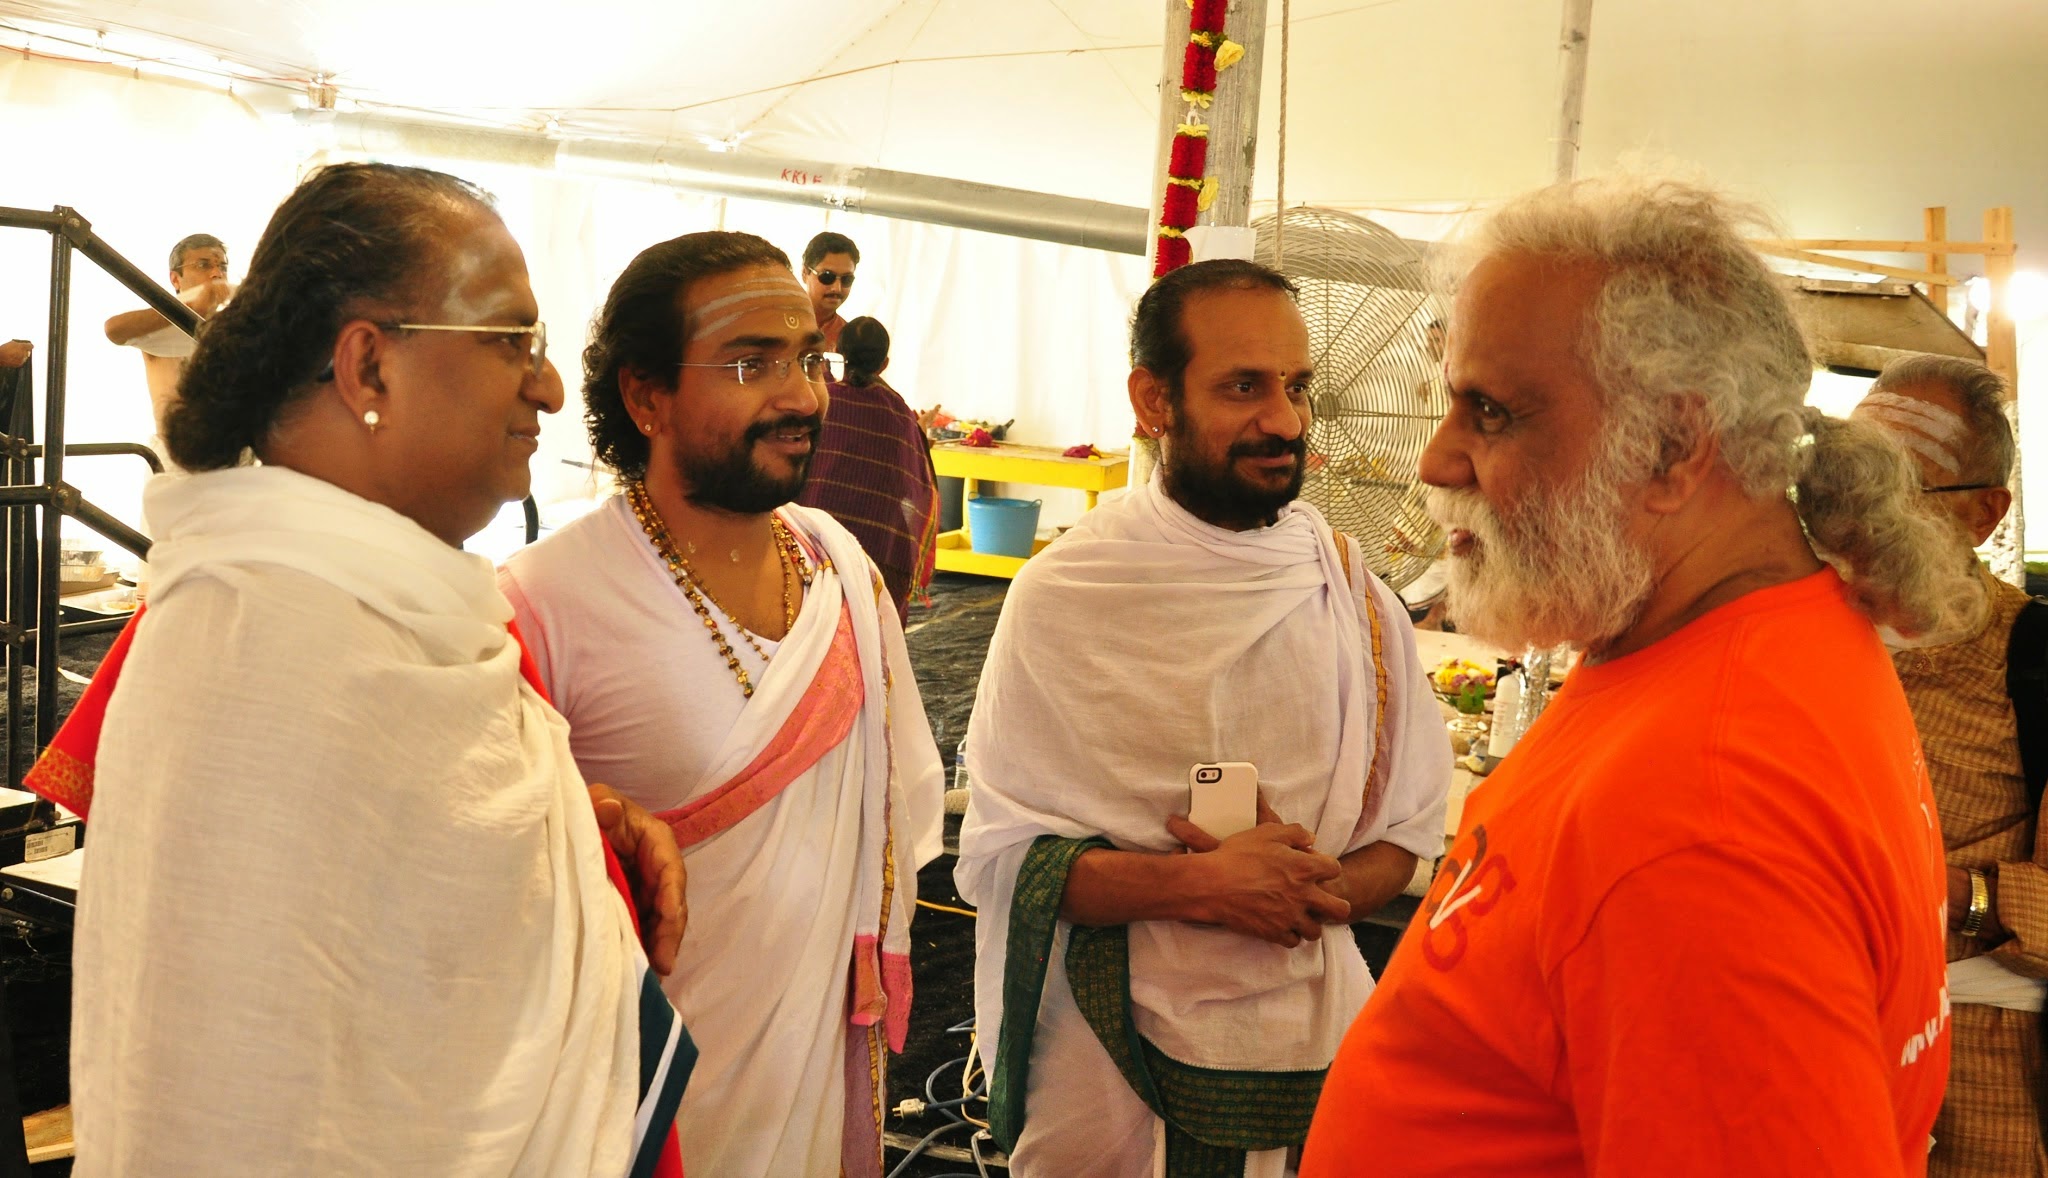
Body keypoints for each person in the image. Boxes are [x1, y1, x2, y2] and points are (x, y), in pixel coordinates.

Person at [1302, 175, 1972, 1176]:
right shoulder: (1749, 638)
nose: (1437, 459)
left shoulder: (1700, 814)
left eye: (1490, 411)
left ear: (1670, 447)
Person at [42, 162, 690, 1177]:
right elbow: (234, 1102)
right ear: (369, 367)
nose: (550, 387)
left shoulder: (403, 611)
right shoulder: (262, 652)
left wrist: (571, 831)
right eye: (510, 340)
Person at [957, 258, 1453, 1177]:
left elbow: (1408, 836)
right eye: (1243, 387)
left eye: (1297, 386)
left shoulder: (1352, 594)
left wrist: (1300, 893)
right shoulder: (1067, 594)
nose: (1286, 421)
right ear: (1154, 400)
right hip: (1100, 1050)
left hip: (1309, 1035)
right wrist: (1203, 888)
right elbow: (1008, 859)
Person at [500, 230, 945, 1177]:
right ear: (646, 397)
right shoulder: (543, 603)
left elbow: (898, 817)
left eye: (807, 360)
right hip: (637, 1110)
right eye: (752, 364)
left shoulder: (841, 571)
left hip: (815, 1083)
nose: (802, 397)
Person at [1853, 355, 2043, 1177]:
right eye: (1839, 480)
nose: (1854, 518)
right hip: (1804, 1065)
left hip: (1978, 1100)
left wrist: (1947, 897)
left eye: (1896, 489)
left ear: (1984, 513)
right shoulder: (1789, 631)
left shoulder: (2031, 658)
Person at [795, 315, 940, 620]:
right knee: (873, 634)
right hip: (879, 553)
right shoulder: (900, 414)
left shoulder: (821, 402)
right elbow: (916, 486)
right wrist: (919, 432)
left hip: (816, 547)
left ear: (838, 353)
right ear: (884, 364)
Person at [102, 233, 232, 442]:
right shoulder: (161, 324)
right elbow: (113, 329)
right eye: (203, 265)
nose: (217, 273)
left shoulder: (235, 326)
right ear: (175, 279)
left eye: (223, 267)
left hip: (236, 453)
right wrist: (190, 308)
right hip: (177, 454)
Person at [802, 230, 859, 351]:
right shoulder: (778, 322)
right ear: (805, 273)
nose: (837, 288)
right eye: (827, 276)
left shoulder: (850, 339)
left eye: (846, 279)